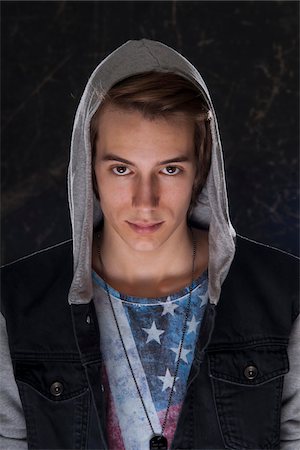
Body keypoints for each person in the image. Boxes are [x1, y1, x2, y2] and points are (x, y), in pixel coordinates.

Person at [1, 39, 299, 450]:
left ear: (201, 169)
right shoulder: (14, 305)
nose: (145, 200)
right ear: (89, 169)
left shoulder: (286, 296)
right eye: (122, 168)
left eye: (170, 168)